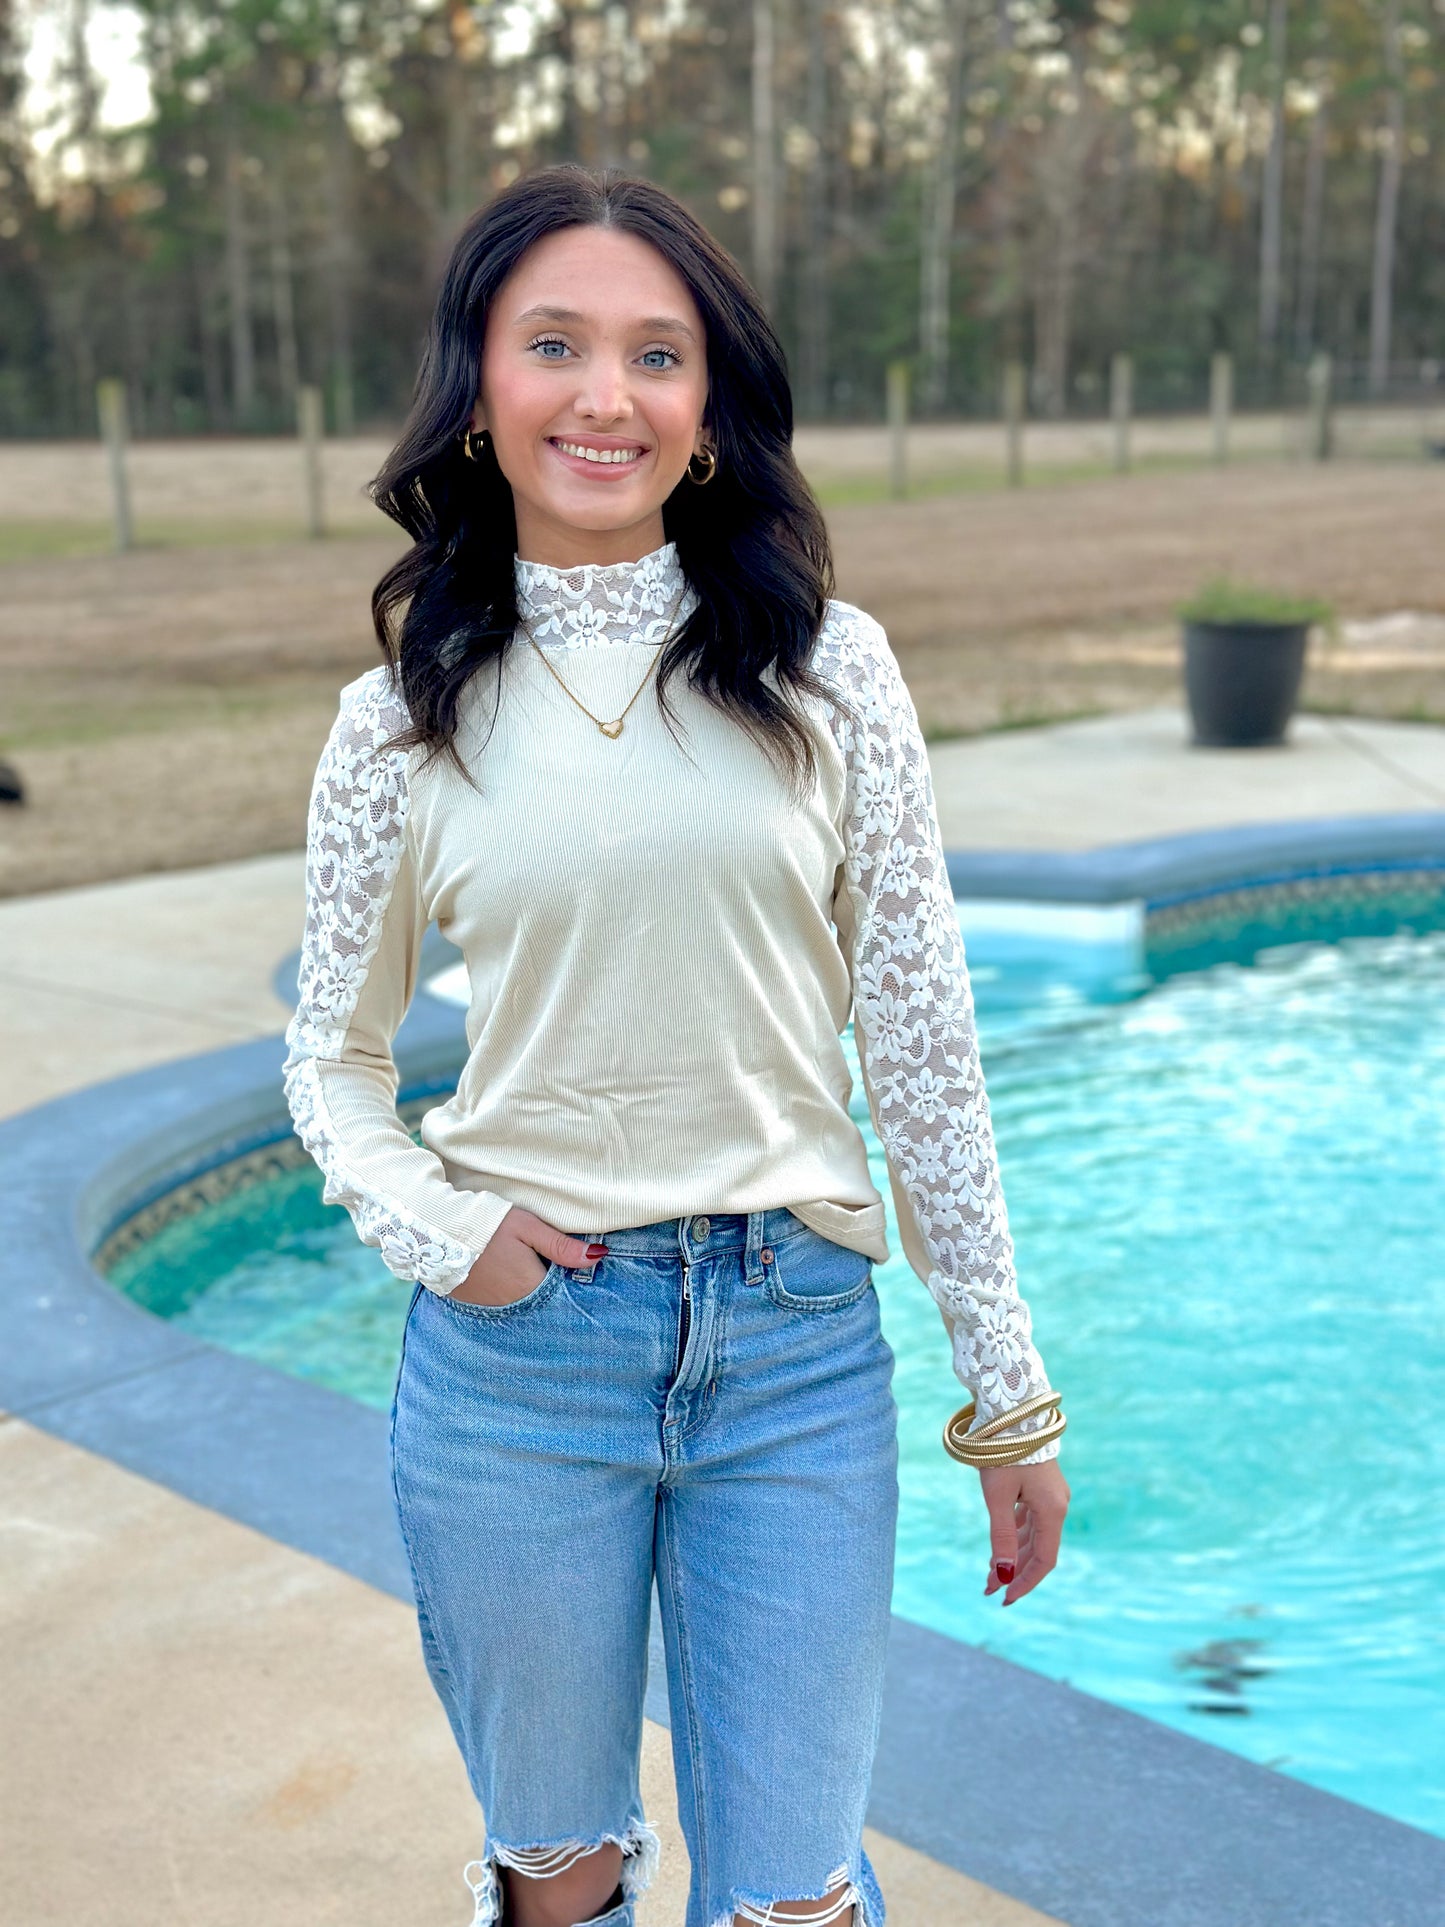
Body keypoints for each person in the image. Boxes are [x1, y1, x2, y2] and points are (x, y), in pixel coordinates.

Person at [282, 161, 1069, 1927]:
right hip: (519, 1368)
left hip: (794, 1355)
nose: (604, 395)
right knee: (557, 1874)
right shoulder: (398, 718)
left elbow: (926, 1054)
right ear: (478, 385)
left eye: (659, 355)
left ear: (709, 409)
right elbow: (330, 1062)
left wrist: (1004, 1394)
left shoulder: (829, 671)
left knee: (795, 1893)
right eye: (553, 343)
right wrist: (444, 1234)